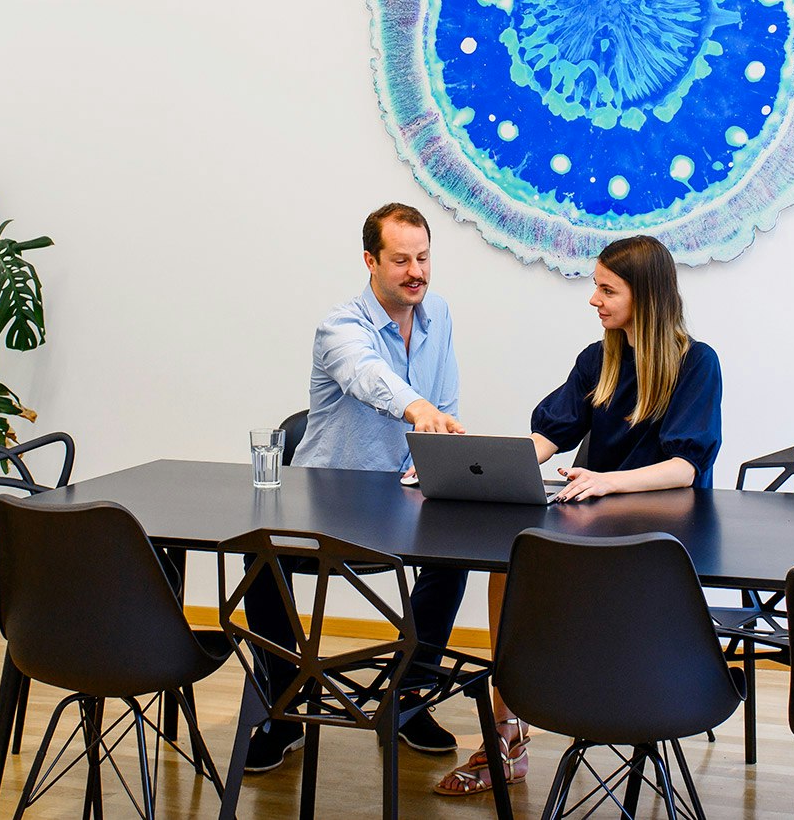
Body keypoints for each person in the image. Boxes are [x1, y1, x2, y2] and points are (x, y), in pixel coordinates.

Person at [434, 233, 722, 797]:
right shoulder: (599, 360)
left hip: (665, 535)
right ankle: (506, 735)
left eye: (607, 289)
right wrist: (483, 467)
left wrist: (606, 482)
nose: (594, 299)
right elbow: (551, 434)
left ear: (645, 295)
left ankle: (612, 705)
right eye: (596, 286)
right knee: (507, 564)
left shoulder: (697, 364)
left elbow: (686, 467)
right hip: (597, 513)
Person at [242, 202, 472, 773]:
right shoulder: (339, 326)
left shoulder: (438, 313)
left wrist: (442, 439)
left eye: (423, 258)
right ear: (370, 261)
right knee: (256, 555)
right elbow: (369, 377)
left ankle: (407, 696)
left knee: (458, 555)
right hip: (329, 498)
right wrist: (417, 407)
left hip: (406, 496)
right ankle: (285, 706)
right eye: (401, 260)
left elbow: (442, 401)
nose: (416, 271)